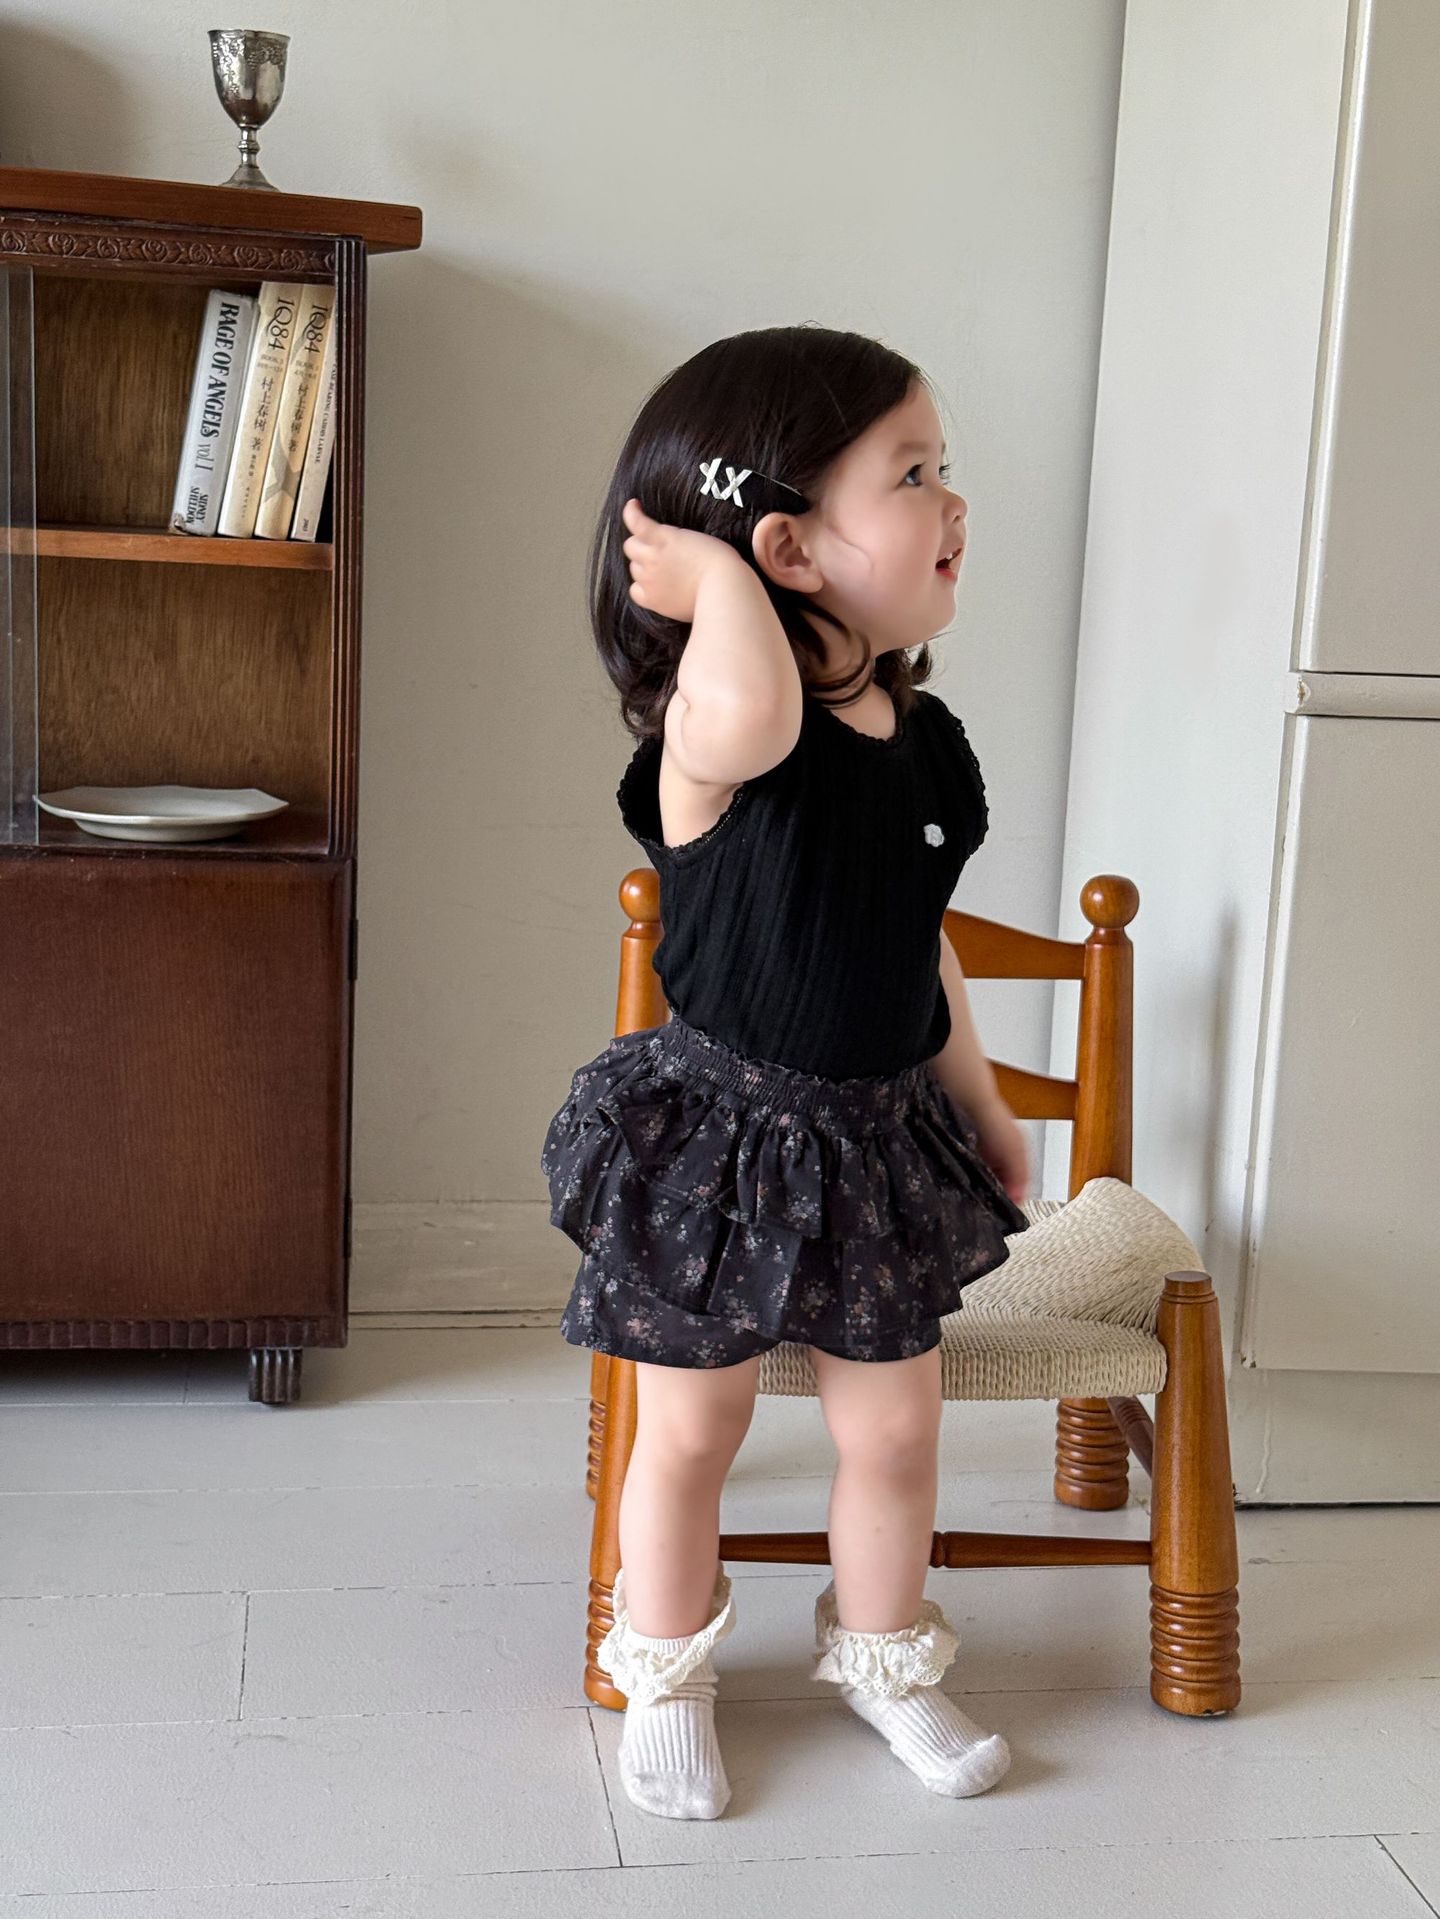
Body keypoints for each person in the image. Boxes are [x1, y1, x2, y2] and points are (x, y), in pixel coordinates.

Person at [540, 324, 1033, 1822]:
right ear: (785, 546)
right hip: (718, 1149)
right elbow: (756, 705)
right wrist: (719, 586)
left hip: (878, 1140)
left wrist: (981, 1100)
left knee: (895, 1430)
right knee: (693, 1432)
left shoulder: (924, 744)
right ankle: (669, 1677)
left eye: (942, 468)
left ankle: (884, 1657)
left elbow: (918, 946)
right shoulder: (717, 732)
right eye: (912, 473)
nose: (953, 501)